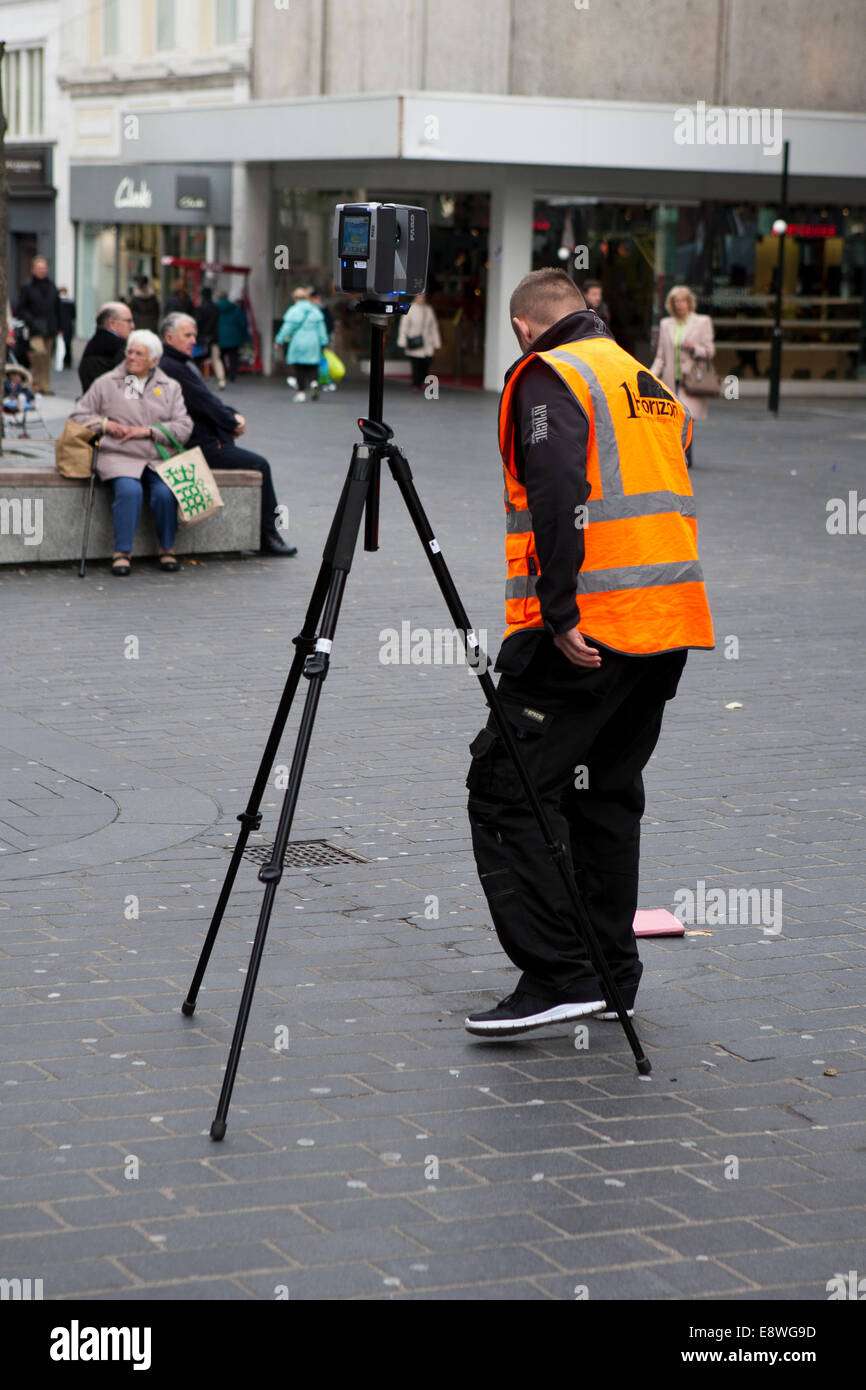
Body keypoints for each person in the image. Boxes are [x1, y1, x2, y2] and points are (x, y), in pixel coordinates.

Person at [463, 268, 713, 1037]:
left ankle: (559, 974)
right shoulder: (644, 382)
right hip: (666, 621)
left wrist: (562, 608)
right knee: (605, 792)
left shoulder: (550, 373)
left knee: (507, 786)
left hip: (583, 632)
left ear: (522, 328)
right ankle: (609, 974)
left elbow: (557, 484)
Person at [159, 311, 296, 557]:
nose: (193, 340)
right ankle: (268, 535)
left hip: (206, 438)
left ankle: (267, 534)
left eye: (194, 335)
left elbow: (207, 400)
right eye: (187, 335)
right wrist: (232, 421)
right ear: (169, 338)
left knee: (256, 463)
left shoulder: (179, 363)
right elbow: (202, 403)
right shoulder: (172, 366)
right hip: (200, 444)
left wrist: (231, 416)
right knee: (259, 464)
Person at [69, 329, 192, 577]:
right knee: (129, 490)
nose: (132, 357)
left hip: (157, 458)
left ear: (154, 361)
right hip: (118, 455)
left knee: (164, 493)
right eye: (130, 352)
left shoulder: (170, 386)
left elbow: (184, 426)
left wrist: (147, 431)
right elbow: (78, 416)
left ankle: (166, 548)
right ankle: (122, 552)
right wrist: (105, 425)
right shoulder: (106, 383)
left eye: (139, 354)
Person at [651, 285, 716, 467]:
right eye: (676, 301)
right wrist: (650, 376)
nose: (679, 305)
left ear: (689, 302)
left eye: (683, 300)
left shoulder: (702, 322)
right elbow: (661, 357)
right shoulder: (665, 324)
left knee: (688, 417)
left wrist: (694, 349)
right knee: (673, 417)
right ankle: (678, 455)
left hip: (691, 379)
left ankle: (686, 455)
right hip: (672, 379)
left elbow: (710, 351)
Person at [15, 257, 62, 394]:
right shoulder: (27, 288)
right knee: (38, 354)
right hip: (35, 328)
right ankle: (36, 383)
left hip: (50, 328)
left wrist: (60, 326)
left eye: (44, 268)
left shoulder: (52, 286)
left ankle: (45, 385)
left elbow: (57, 307)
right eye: (39, 268)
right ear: (33, 270)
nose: (42, 271)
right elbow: (20, 308)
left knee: (47, 357)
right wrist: (31, 320)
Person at [275, 288, 329, 402]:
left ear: (295, 298)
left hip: (298, 341)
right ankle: (314, 383)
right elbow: (322, 329)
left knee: (299, 367)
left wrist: (279, 341)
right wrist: (324, 343)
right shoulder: (315, 311)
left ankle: (301, 392)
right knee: (313, 365)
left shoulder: (293, 310)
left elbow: (286, 328)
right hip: (313, 341)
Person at [78, 302, 135, 393]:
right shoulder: (121, 349)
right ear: (112, 323)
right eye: (128, 321)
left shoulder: (93, 345)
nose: (132, 326)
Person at [396, 291, 441, 392]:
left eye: (423, 296)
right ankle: (416, 383)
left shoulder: (428, 309)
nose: (422, 298)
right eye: (420, 296)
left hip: (427, 342)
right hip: (414, 341)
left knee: (426, 363)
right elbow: (404, 326)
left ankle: (422, 382)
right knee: (416, 364)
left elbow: (434, 326)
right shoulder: (410, 308)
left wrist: (436, 341)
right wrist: (402, 339)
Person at [195, 287, 226, 390]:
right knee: (216, 359)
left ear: (202, 296)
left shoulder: (200, 308)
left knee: (198, 360)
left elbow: (198, 323)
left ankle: (197, 382)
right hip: (214, 338)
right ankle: (221, 381)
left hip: (202, 339)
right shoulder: (216, 308)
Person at [215, 291, 247, 383]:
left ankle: (224, 373)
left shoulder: (216, 308)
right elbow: (242, 323)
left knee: (220, 356)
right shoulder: (235, 308)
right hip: (234, 336)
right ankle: (232, 374)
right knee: (233, 357)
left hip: (220, 336)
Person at [58, 287, 76, 370]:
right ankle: (68, 360)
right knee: (67, 344)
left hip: (60, 324)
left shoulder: (58, 301)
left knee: (59, 343)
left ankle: (61, 360)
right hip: (68, 324)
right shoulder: (70, 301)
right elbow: (73, 315)